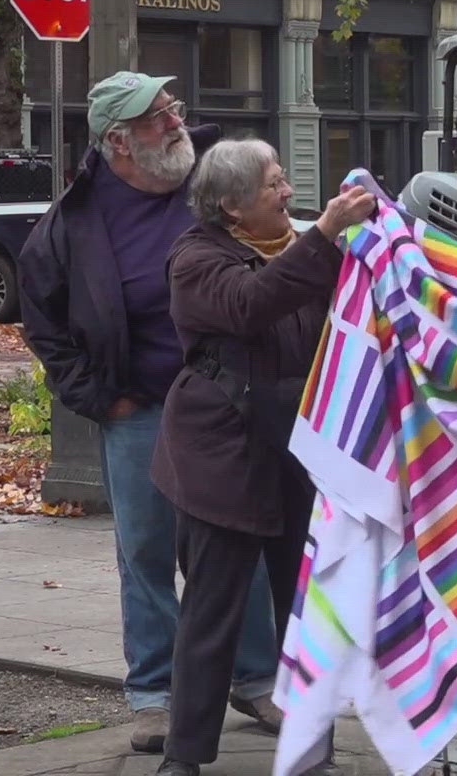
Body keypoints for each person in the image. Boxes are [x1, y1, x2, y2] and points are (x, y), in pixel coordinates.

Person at [19, 72, 283, 754]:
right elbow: (42, 321)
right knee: (144, 550)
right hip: (140, 409)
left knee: (239, 541)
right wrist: (98, 396)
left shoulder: (213, 183)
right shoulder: (73, 223)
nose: (175, 123)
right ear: (118, 142)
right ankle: (158, 694)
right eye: (158, 117)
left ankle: (257, 680)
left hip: (229, 402)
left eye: (174, 109)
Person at [148, 140, 375, 776]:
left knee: (309, 613)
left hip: (302, 453)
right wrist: (327, 234)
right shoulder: (195, 258)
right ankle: (183, 757)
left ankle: (311, 753)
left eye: (284, 180)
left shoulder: (304, 246)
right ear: (231, 206)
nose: (288, 193)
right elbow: (252, 305)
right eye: (274, 184)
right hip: (221, 456)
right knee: (211, 612)